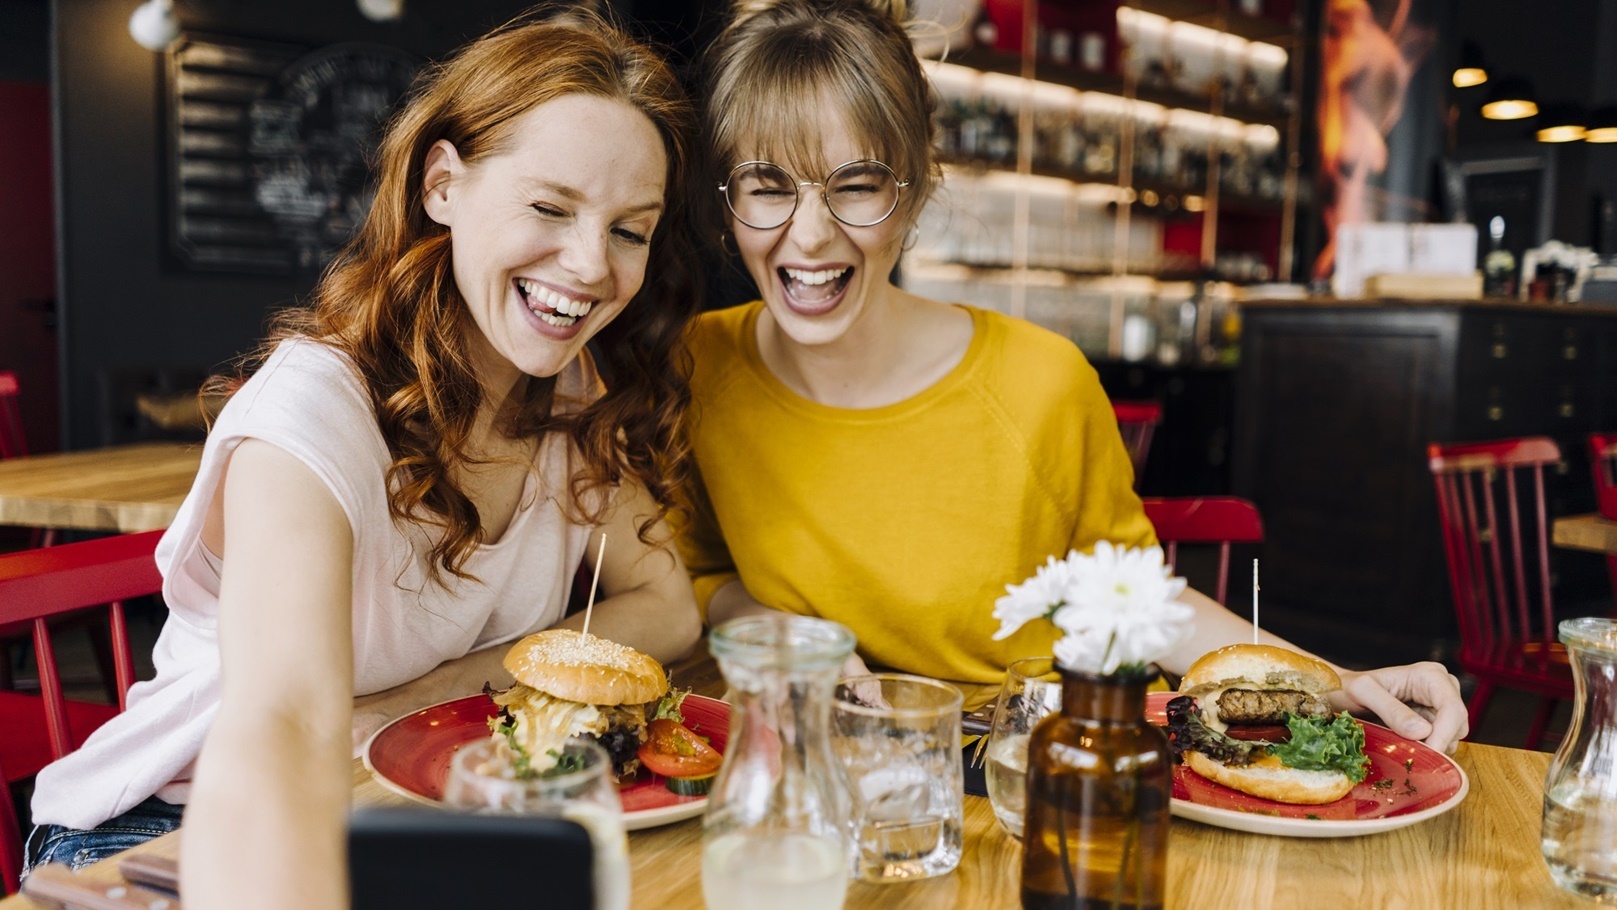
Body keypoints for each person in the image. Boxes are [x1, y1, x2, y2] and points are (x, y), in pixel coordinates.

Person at [23, 12, 701, 909]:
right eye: (548, 206)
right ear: (442, 185)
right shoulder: (310, 411)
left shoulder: (572, 393)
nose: (588, 264)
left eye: (630, 229)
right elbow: (289, 725)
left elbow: (667, 608)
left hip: (411, 789)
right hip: (167, 827)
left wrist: (438, 694)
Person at [677, 0, 1468, 752]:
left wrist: (1333, 686)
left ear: (913, 187)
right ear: (726, 199)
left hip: (1010, 767)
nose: (808, 235)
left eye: (854, 186)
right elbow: (700, 573)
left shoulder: (1039, 379)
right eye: (767, 187)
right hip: (805, 761)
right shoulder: (694, 367)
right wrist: (787, 635)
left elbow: (1138, 605)